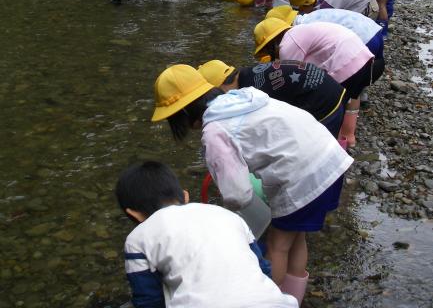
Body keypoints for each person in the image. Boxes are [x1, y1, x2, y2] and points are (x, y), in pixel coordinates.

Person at [152, 65, 354, 306]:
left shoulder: (215, 130)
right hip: (329, 157)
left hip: (303, 177)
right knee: (296, 236)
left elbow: (238, 195)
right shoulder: (246, 96)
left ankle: (271, 302)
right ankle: (294, 299)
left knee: (277, 246)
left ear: (184, 112)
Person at [116, 160, 297, 308]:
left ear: (134, 213)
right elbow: (263, 269)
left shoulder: (138, 238)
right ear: (185, 197)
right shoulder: (227, 215)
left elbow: (149, 299)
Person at [253, 18, 385, 147]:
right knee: (348, 99)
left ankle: (330, 146)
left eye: (268, 52)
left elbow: (290, 82)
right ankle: (347, 138)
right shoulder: (300, 32)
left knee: (331, 104)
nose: (273, 57)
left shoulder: (287, 45)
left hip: (345, 63)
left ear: (272, 44)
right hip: (362, 58)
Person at [198, 59, 346, 139]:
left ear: (221, 86)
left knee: (318, 143)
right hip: (331, 88)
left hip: (324, 101)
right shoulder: (249, 74)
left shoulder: (253, 91)